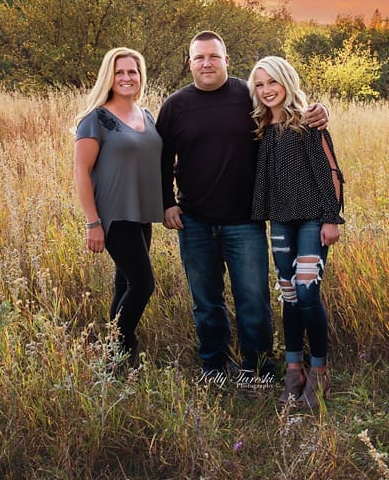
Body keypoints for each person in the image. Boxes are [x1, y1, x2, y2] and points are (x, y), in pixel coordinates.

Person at [156, 31, 328, 380]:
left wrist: (318, 111)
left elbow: (284, 105)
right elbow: (161, 160)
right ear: (189, 62)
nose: (206, 63)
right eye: (199, 57)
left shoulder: (246, 96)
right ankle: (214, 366)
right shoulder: (175, 106)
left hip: (245, 222)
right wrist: (166, 203)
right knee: (206, 301)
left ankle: (259, 367)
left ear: (226, 60)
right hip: (194, 222)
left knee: (253, 300)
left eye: (213, 57)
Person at [249, 55, 345, 409]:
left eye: (272, 82)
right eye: (259, 85)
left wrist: (331, 219)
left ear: (286, 82)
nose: (266, 90)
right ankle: (294, 372)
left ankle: (319, 371)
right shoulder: (259, 128)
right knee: (288, 295)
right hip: (280, 220)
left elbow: (331, 171)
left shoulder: (308, 123)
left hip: (311, 219)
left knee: (306, 292)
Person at [74, 47, 164, 360]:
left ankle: (119, 358)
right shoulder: (95, 120)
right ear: (109, 78)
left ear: (141, 77)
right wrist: (92, 222)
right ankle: (114, 350)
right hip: (113, 215)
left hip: (141, 213)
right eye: (120, 72)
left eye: (132, 72)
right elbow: (81, 172)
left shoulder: (147, 115)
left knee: (125, 283)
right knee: (143, 284)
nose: (127, 78)